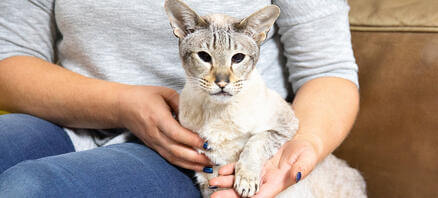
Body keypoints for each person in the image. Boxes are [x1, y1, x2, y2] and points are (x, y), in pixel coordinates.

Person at [0, 0, 359, 197]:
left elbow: (328, 68)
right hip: (65, 116)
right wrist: (121, 104)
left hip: (198, 147)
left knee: (29, 189)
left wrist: (284, 156)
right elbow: (9, 55)